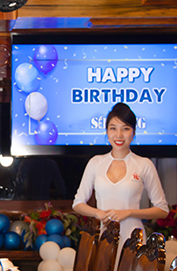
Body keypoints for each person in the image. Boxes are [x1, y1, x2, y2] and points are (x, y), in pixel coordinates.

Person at [72, 103, 169, 247]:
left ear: (133, 133)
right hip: (104, 240)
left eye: (125, 128)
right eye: (113, 128)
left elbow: (162, 210)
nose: (119, 135)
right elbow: (78, 204)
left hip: (133, 241)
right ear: (107, 131)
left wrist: (129, 212)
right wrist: (98, 213)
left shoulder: (144, 164)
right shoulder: (96, 162)